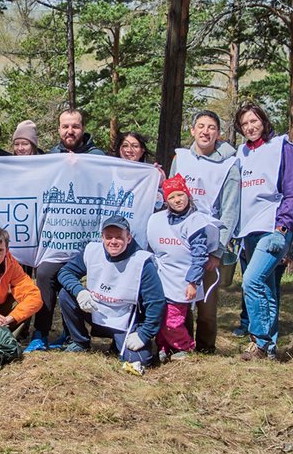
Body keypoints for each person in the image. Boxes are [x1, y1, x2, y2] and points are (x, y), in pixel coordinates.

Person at [26, 110, 106, 352]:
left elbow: (116, 180)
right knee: (44, 275)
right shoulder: (51, 157)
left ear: (83, 128)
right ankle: (40, 333)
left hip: (88, 244)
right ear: (59, 129)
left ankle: (74, 334)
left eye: (75, 126)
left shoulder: (98, 157)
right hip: (58, 241)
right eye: (65, 127)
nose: (69, 131)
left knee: (76, 282)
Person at [234, 102, 293, 361]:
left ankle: (259, 342)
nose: (250, 127)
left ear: (263, 120)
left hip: (273, 228)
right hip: (248, 230)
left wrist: (282, 227)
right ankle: (270, 349)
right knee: (269, 287)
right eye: (245, 124)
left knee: (252, 281)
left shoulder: (282, 147)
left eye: (254, 121)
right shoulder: (241, 153)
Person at [168, 110, 239, 353]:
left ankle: (207, 348)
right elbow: (170, 195)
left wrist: (218, 250)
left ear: (218, 134)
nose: (205, 131)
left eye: (211, 127)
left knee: (207, 303)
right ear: (193, 130)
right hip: (181, 238)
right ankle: (182, 344)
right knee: (181, 296)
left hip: (210, 242)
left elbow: (230, 209)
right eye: (201, 126)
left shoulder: (230, 163)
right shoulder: (180, 158)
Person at [57, 216, 164, 375]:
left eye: (119, 237)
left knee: (139, 360)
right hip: (96, 310)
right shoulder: (92, 251)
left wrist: (144, 334)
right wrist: (80, 291)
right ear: (102, 237)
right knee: (66, 294)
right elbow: (65, 272)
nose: (113, 241)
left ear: (128, 238)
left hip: (125, 319)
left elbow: (156, 303)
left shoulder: (142, 262)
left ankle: (119, 343)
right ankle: (79, 342)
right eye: (108, 237)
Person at [147, 175, 220, 361]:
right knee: (160, 316)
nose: (177, 200)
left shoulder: (196, 221)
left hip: (182, 280)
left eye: (180, 195)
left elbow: (199, 255)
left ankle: (187, 348)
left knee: (172, 321)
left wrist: (193, 282)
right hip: (163, 277)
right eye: (171, 197)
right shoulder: (158, 219)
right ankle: (164, 348)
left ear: (188, 195)